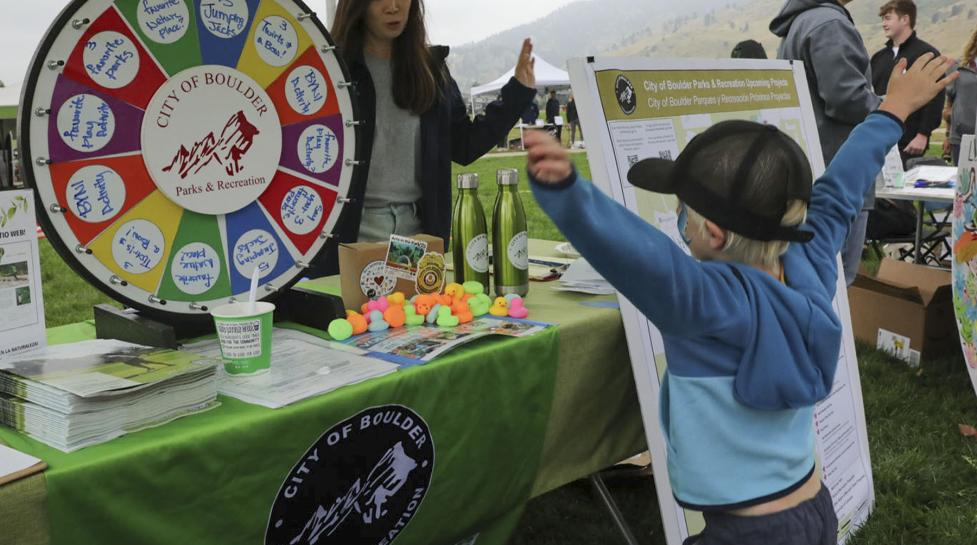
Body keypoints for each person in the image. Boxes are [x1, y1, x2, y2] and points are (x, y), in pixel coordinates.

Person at [524, 54, 955, 545]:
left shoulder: (705, 304)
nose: (678, 220)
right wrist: (892, 109)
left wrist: (568, 194)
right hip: (812, 507)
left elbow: (640, 257)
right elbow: (838, 192)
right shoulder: (811, 258)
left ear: (710, 232)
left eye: (680, 208)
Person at [314, 0, 536, 277]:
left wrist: (517, 93)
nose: (394, 6)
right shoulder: (330, 71)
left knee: (409, 316)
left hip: (416, 237)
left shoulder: (431, 69)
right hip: (351, 238)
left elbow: (464, 145)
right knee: (358, 319)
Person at [770, 0, 881, 286]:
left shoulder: (801, 22)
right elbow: (847, 99)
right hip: (841, 174)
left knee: (811, 277)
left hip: (813, 170)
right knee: (837, 278)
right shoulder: (829, 24)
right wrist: (894, 107)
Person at [870, 0, 944, 166]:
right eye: (883, 19)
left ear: (905, 20)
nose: (883, 24)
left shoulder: (926, 54)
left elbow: (936, 97)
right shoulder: (878, 58)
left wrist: (923, 134)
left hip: (909, 144)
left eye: (888, 18)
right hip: (878, 140)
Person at [944, 25, 977, 165]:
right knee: (963, 184)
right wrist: (947, 135)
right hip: (961, 138)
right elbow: (949, 106)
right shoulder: (959, 68)